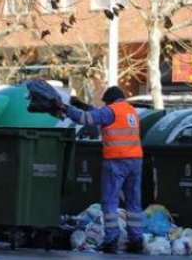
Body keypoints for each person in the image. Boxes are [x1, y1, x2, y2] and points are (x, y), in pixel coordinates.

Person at [55, 86, 144, 254]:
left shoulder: (110, 111)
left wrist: (67, 108)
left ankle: (111, 240)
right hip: (135, 161)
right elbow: (100, 114)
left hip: (116, 161)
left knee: (110, 202)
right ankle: (136, 240)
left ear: (109, 101)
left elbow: (84, 119)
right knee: (133, 202)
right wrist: (84, 105)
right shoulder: (131, 111)